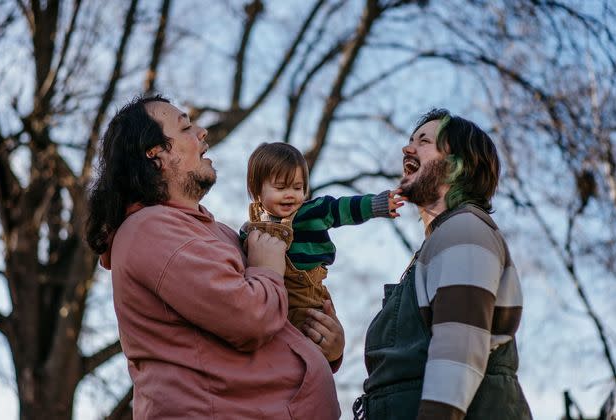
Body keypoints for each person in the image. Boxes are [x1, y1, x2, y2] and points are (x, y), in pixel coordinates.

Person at [85, 95, 344, 419]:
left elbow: (271, 321)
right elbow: (250, 316)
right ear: (156, 155)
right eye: (186, 127)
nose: (202, 132)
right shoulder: (149, 229)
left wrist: (325, 346)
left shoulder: (215, 232)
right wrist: (266, 269)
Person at [355, 109, 532, 419]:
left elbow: (457, 354)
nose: (407, 149)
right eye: (410, 140)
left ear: (456, 166)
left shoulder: (464, 230)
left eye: (424, 141)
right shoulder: (439, 242)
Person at [241, 142, 404, 332]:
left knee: (312, 336)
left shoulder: (313, 211)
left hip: (309, 297)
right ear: (257, 190)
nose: (290, 195)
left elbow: (341, 208)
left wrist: (374, 205)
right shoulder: (250, 230)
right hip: (272, 299)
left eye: (297, 188)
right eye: (280, 188)